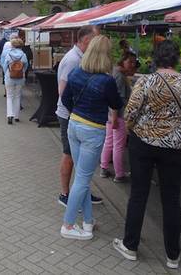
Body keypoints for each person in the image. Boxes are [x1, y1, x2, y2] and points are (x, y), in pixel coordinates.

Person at [113, 40, 181, 269]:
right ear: (175, 59)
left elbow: (130, 112)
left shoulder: (146, 81)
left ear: (156, 58)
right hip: (175, 146)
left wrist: (138, 129)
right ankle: (172, 255)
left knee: (138, 195)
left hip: (143, 143)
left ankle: (130, 246)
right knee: (171, 199)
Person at [59, 35, 123, 240]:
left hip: (74, 125)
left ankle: (87, 221)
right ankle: (68, 225)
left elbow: (66, 98)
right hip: (92, 130)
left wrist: (77, 112)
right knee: (83, 180)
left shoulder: (77, 72)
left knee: (81, 178)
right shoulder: (107, 81)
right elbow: (116, 104)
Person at [55, 25, 103, 207]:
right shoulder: (73, 60)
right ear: (86, 41)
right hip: (70, 116)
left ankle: (82, 192)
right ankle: (65, 194)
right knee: (69, 154)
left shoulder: (80, 58)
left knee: (82, 158)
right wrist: (80, 111)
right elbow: (63, 91)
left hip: (76, 115)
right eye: (95, 40)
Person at [100, 51, 137, 183]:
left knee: (109, 141)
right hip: (118, 116)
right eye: (129, 61)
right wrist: (115, 118)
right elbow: (117, 99)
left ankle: (104, 168)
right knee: (119, 145)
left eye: (134, 62)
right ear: (123, 60)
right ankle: (119, 174)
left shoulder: (114, 72)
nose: (132, 65)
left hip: (109, 115)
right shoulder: (120, 77)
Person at [1, 38, 29, 124]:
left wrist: (7, 73)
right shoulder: (23, 55)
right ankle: (16, 116)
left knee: (9, 97)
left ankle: (10, 115)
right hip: (20, 78)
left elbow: (5, 66)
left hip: (9, 77)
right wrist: (22, 72)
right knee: (17, 96)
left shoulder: (8, 54)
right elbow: (26, 66)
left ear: (12, 45)